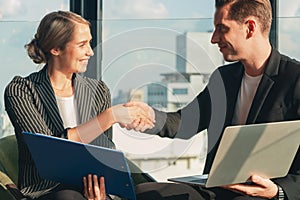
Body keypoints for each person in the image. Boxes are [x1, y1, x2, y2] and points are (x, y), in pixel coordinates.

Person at [125, 0, 300, 199]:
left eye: (222, 29)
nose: (214, 39)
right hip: (218, 188)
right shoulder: (224, 78)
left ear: (250, 28)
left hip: (265, 193)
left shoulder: (295, 79)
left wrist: (278, 192)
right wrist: (150, 116)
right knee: (144, 193)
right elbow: (187, 122)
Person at [4, 11, 154, 200]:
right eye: (82, 44)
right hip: (49, 192)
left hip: (95, 188)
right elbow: (50, 153)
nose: (90, 51)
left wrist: (102, 191)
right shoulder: (22, 90)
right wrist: (109, 117)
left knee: (156, 193)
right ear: (56, 48)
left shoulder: (97, 90)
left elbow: (103, 153)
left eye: (89, 43)